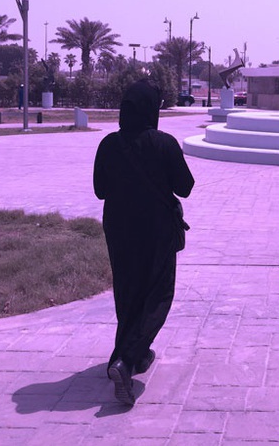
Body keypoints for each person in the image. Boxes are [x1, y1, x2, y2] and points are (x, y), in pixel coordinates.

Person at [93, 80, 194, 406]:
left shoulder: (109, 144)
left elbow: (100, 190)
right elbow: (185, 187)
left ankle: (128, 357)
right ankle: (126, 360)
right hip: (156, 229)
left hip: (120, 228)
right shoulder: (163, 143)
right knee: (159, 294)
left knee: (128, 290)